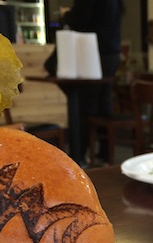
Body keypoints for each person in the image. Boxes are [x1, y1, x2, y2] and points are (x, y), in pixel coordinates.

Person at [45, 0, 124, 165]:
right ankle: (104, 155)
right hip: (112, 51)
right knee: (103, 104)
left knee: (85, 105)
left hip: (92, 51)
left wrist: (66, 15)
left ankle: (79, 156)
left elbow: (80, 19)